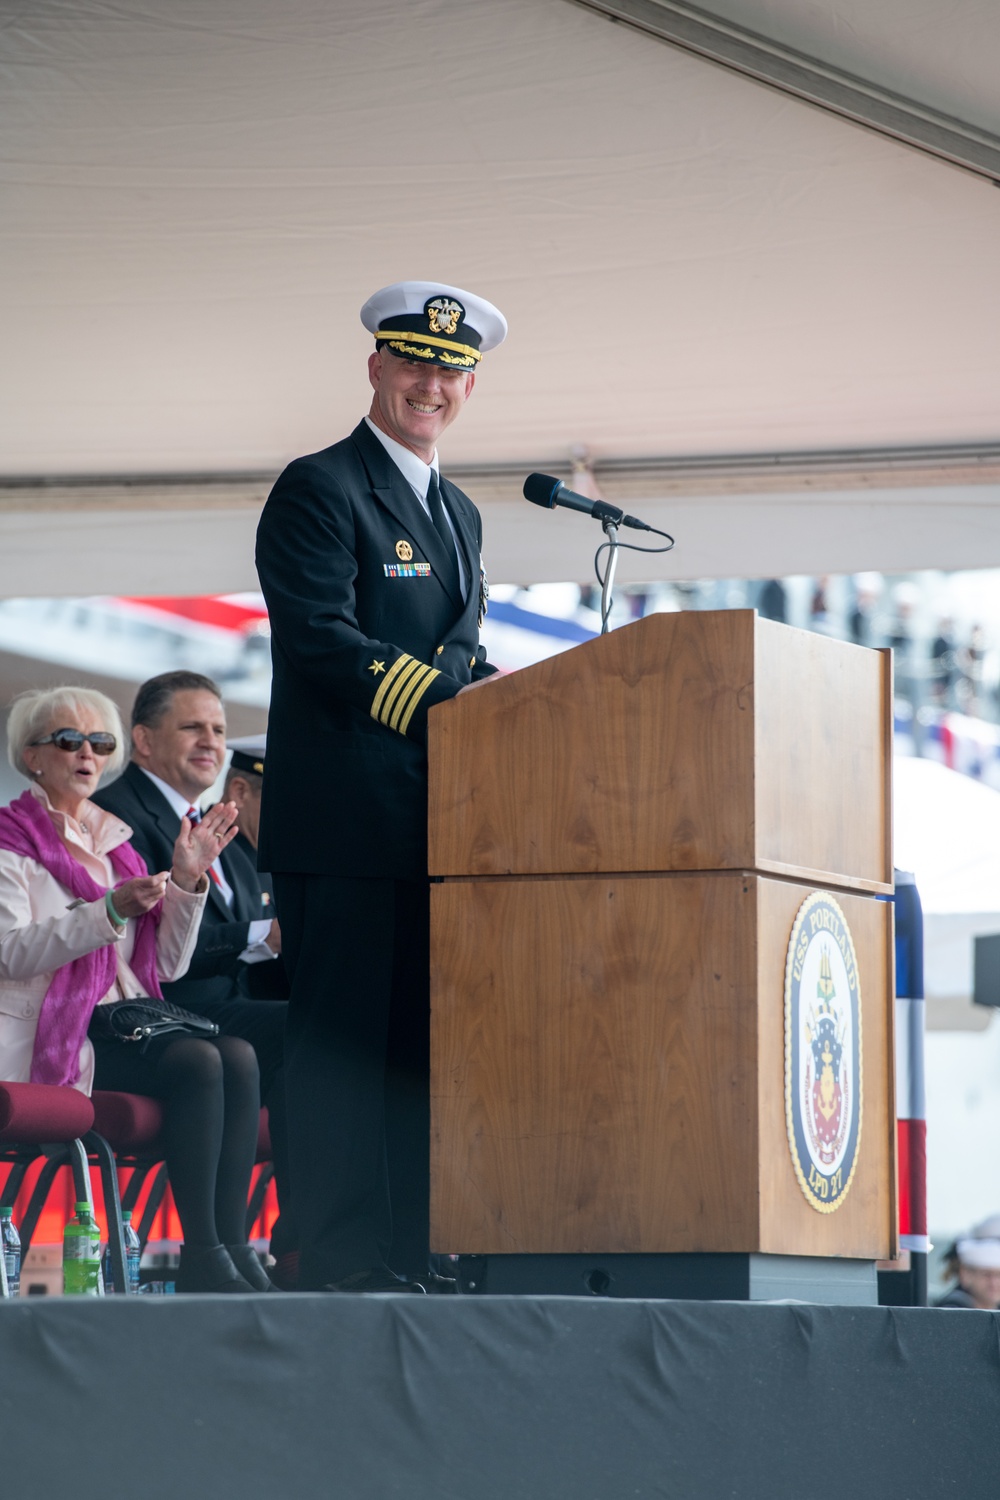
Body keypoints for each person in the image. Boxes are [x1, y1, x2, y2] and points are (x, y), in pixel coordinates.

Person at [256, 279, 506, 1293]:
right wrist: (455, 701)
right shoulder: (318, 488)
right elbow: (322, 642)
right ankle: (340, 1255)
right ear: (374, 367)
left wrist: (497, 699)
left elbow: (460, 649)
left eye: (448, 371)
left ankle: (410, 1251)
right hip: (345, 824)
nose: (429, 384)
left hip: (431, 831)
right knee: (343, 1056)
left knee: (415, 1057)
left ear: (471, 386)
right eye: (412, 362)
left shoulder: (462, 513)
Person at [0, 685, 272, 1293]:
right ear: (32, 755)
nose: (87, 754)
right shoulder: (9, 843)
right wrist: (107, 911)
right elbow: (10, 952)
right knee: (201, 1059)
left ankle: (233, 1245)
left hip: (125, 1019)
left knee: (239, 1054)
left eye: (100, 743)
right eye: (69, 741)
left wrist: (185, 882)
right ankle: (203, 1253)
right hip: (58, 1031)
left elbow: (166, 968)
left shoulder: (113, 845)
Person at [92, 671, 294, 1268]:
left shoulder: (206, 821)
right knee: (290, 1035)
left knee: (321, 1028)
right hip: (164, 1005)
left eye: (218, 729)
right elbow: (158, 946)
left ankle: (273, 1239)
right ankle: (258, 1244)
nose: (210, 740)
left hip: (213, 1006)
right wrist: (263, 935)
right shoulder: (118, 816)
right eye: (192, 727)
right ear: (145, 741)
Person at [935, 1217, 1000, 1309]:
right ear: (965, 1275)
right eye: (986, 1275)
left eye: (999, 1275)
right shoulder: (953, 1309)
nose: (994, 1283)